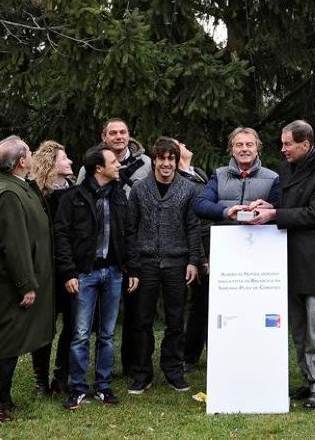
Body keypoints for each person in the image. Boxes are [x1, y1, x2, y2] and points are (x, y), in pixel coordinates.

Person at [248, 120, 315, 409]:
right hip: (287, 259)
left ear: (306, 144)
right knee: (298, 329)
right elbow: (284, 203)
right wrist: (268, 206)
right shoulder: (286, 168)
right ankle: (307, 380)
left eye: (288, 143)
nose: (283, 148)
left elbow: (314, 214)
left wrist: (275, 213)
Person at [55, 147, 139, 410]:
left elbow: (128, 233)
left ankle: (103, 386)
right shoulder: (72, 198)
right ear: (98, 168)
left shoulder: (119, 196)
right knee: (80, 334)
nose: (118, 165)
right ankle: (77, 387)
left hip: (113, 272)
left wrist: (132, 269)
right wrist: (68, 272)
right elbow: (62, 236)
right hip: (84, 274)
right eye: (113, 162)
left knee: (107, 334)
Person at [0, 136, 54, 423]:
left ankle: (1, 398)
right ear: (22, 161)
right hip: (9, 285)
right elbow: (15, 244)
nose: (34, 157)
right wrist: (26, 284)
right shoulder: (8, 193)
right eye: (29, 153)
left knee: (10, 345)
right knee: (5, 345)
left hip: (15, 282)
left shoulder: (17, 185)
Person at [125, 137, 204, 394]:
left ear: (176, 160)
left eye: (171, 158)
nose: (167, 163)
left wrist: (194, 261)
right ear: (155, 160)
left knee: (175, 319)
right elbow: (130, 229)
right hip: (146, 263)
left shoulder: (188, 189)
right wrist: (133, 266)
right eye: (162, 158)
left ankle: (173, 370)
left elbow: (193, 227)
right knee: (142, 320)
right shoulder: (139, 189)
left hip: (177, 262)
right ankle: (142, 373)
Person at [75, 118, 151, 376]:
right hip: (99, 248)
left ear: (129, 135)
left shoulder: (147, 164)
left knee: (135, 312)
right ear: (104, 136)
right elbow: (80, 204)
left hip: (133, 243)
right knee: (91, 320)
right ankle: (86, 372)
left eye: (123, 132)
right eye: (113, 133)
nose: (119, 136)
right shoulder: (90, 166)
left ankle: (132, 365)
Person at [29, 141, 76, 395]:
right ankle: (40, 379)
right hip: (46, 269)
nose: (70, 162)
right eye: (65, 158)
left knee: (72, 324)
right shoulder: (37, 194)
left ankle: (61, 376)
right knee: (45, 326)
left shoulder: (75, 191)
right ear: (51, 163)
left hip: (70, 268)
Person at [193, 126, 281, 223]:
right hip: (226, 236)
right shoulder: (219, 175)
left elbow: (281, 210)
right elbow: (199, 204)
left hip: (258, 236)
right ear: (232, 151)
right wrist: (227, 212)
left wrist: (269, 209)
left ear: (257, 150)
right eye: (239, 145)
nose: (244, 149)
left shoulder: (273, 178)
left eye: (249, 145)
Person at [176, 141, 212, 372]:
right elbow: (191, 218)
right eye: (180, 144)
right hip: (195, 243)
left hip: (212, 238)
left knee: (209, 299)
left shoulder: (197, 172)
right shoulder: (179, 179)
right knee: (198, 302)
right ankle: (189, 355)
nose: (185, 145)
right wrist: (199, 256)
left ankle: (212, 347)